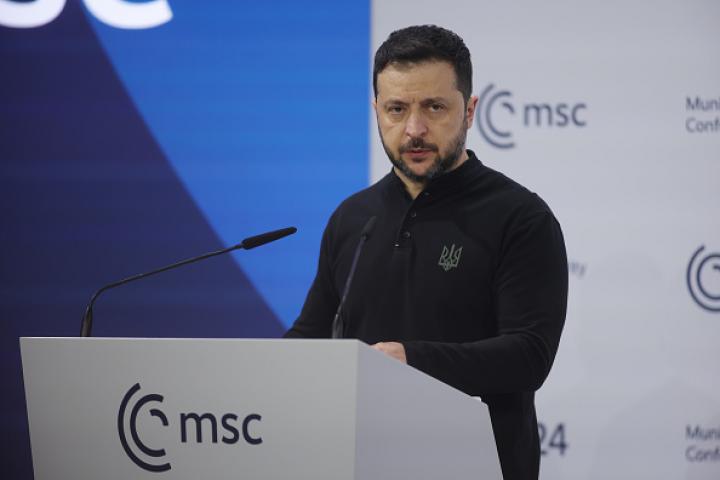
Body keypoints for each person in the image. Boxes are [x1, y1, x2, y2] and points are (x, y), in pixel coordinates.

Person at [284, 25, 567, 480]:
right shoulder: (352, 218)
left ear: (469, 110)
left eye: (434, 107)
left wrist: (411, 361)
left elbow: (529, 355)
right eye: (396, 109)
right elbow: (310, 337)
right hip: (361, 463)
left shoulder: (521, 217)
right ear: (377, 111)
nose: (414, 130)